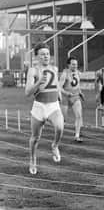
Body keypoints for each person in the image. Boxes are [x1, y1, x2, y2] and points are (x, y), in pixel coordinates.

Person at [25, 43, 64, 175]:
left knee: (60, 127)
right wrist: (38, 82)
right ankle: (32, 159)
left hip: (53, 105)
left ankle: (54, 145)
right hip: (39, 107)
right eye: (42, 54)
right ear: (36, 56)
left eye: (47, 54)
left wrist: (59, 95)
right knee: (35, 138)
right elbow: (27, 93)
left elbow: (56, 84)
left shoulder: (54, 68)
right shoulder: (33, 70)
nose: (46, 56)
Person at [59, 56, 85, 142]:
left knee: (79, 116)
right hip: (66, 97)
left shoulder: (78, 73)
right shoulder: (65, 74)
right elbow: (59, 87)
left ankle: (77, 135)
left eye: (76, 64)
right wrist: (67, 93)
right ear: (68, 65)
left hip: (75, 97)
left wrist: (80, 92)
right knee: (63, 118)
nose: (75, 66)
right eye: (73, 64)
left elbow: (77, 85)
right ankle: (58, 133)